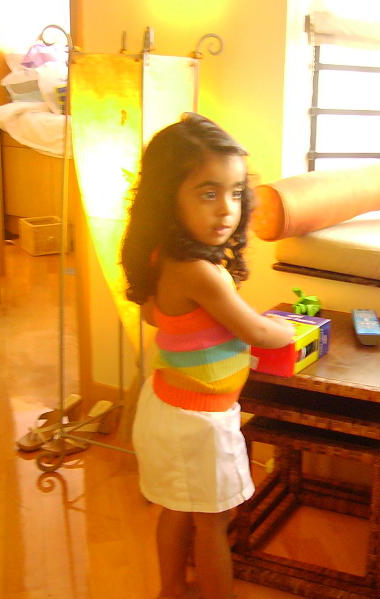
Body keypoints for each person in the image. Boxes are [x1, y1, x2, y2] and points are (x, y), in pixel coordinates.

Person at [121, 113, 295, 599]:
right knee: (216, 520)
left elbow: (157, 316)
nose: (226, 210)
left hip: (168, 406)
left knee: (178, 508)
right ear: (168, 197)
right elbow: (255, 330)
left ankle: (172, 589)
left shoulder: (162, 256)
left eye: (236, 193)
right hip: (199, 423)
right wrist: (287, 330)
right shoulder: (200, 271)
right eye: (208, 193)